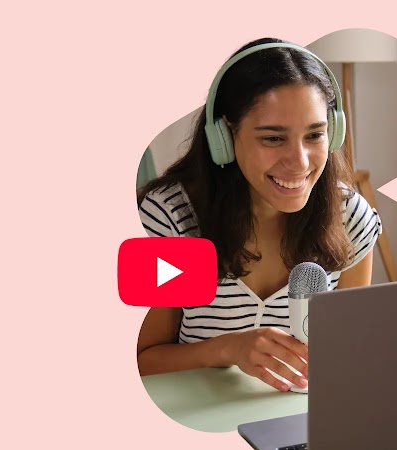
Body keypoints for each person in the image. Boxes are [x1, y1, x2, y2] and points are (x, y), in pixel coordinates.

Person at [135, 38, 382, 392]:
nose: (299, 162)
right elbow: (143, 361)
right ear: (223, 136)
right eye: (273, 139)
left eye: (314, 135)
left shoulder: (350, 218)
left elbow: (350, 350)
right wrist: (230, 349)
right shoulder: (171, 219)